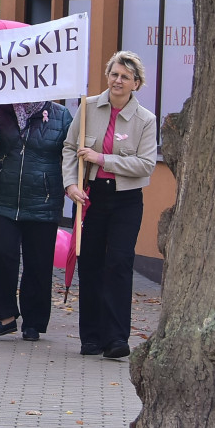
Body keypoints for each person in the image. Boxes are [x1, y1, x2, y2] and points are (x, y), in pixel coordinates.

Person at [63, 51, 157, 358]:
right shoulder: (88, 107)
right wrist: (71, 184)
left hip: (126, 199)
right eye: (114, 74)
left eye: (125, 77)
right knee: (90, 263)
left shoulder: (145, 120)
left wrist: (103, 159)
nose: (118, 80)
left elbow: (145, 165)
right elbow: (69, 147)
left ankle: (117, 339)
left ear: (136, 83)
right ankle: (90, 337)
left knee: (118, 264)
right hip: (93, 196)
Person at [0, 99, 72, 341]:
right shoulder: (0, 109)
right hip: (3, 198)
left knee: (38, 263)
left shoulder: (60, 115)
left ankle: (34, 322)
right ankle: (6, 316)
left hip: (43, 199)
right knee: (0, 255)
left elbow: (70, 153)